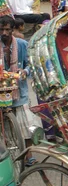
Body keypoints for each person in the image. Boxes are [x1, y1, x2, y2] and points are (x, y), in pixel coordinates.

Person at [0, 16, 30, 145]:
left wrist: (24, 71)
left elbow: (31, 64)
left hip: (19, 90)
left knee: (25, 127)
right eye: (1, 30)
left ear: (13, 30)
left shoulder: (22, 44)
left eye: (7, 30)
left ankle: (29, 156)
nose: (4, 33)